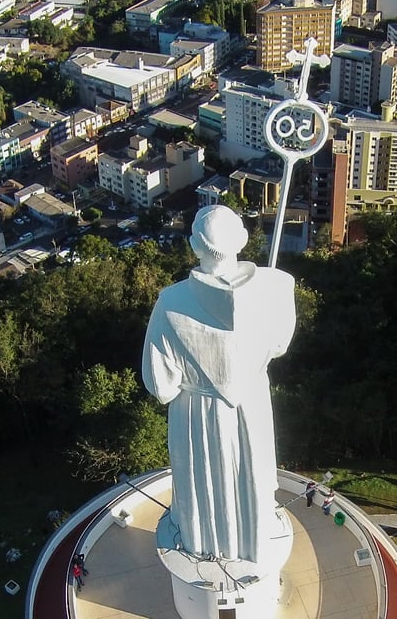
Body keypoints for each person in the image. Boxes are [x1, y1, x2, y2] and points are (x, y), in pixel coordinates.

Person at [142, 206, 296, 565]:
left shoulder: (170, 303)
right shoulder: (279, 287)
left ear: (194, 245)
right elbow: (279, 346)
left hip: (196, 413)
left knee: (204, 486)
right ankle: (255, 545)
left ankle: (203, 545)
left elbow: (161, 385)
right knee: (251, 474)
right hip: (252, 403)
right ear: (242, 239)